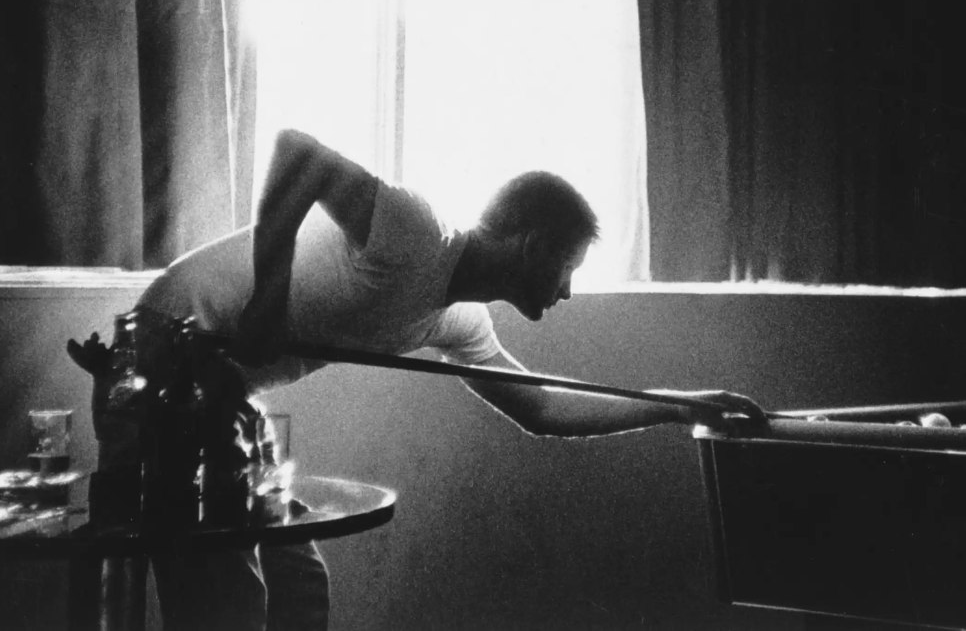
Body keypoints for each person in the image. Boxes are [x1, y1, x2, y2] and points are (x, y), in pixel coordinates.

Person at [72, 128, 764, 630]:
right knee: (227, 609)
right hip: (162, 361)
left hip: (229, 397)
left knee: (300, 591)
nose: (566, 293)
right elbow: (296, 151)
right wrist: (267, 300)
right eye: (568, 269)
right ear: (532, 245)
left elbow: (544, 407)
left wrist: (676, 408)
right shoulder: (415, 231)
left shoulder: (459, 324)